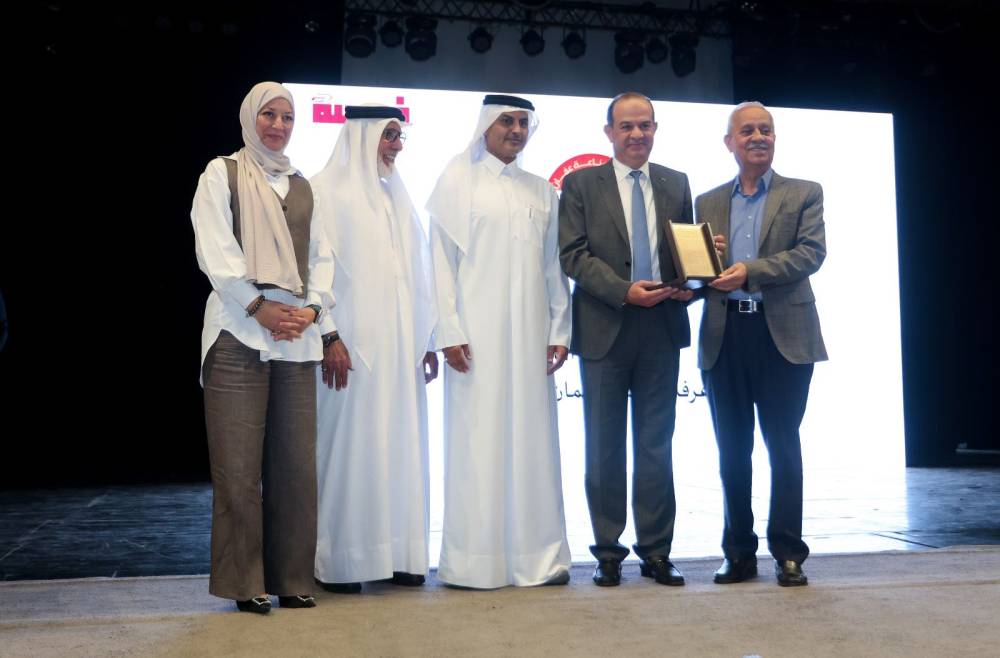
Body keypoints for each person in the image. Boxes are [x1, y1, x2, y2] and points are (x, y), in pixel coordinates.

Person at [191, 81, 332, 614]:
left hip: (296, 337)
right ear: (250, 117)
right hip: (237, 333)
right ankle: (244, 581)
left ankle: (293, 577)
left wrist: (312, 311)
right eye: (268, 114)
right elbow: (215, 251)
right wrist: (258, 306)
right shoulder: (221, 173)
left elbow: (322, 258)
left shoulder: (304, 186)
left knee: (296, 468)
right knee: (238, 470)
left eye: (287, 117)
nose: (278, 125)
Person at [428, 94, 572, 588]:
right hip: (475, 340)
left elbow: (553, 267)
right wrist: (447, 330)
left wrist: (559, 329)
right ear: (486, 126)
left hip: (530, 337)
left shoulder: (541, 191)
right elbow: (440, 264)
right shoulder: (457, 181)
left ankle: (539, 559)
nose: (515, 130)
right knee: (477, 445)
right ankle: (474, 563)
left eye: (522, 123)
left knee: (534, 444)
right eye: (506, 121)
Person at [559, 92, 693, 587]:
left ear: (655, 129)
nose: (637, 134)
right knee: (604, 447)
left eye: (645, 125)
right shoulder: (580, 184)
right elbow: (572, 254)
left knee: (656, 445)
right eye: (627, 126)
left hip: (661, 327)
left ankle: (656, 552)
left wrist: (696, 275)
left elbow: (684, 253)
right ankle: (608, 552)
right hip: (604, 326)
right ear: (609, 132)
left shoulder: (676, 183)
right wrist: (623, 291)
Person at [696, 101, 827, 587]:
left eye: (766, 130)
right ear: (729, 142)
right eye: (748, 130)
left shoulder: (804, 192)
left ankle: (789, 553)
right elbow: (697, 271)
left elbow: (810, 253)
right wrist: (698, 271)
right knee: (732, 450)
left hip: (784, 337)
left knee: (783, 446)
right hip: (724, 334)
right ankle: (738, 553)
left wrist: (749, 271)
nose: (758, 137)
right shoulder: (707, 202)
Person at [310, 105, 438, 593]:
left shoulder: (393, 195)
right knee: (350, 452)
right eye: (388, 136)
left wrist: (427, 340)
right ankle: (343, 561)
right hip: (349, 350)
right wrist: (329, 334)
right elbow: (313, 273)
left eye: (400, 137)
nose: (396, 146)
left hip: (399, 352)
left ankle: (399, 555)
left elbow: (416, 277)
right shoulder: (324, 191)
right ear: (362, 136)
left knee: (399, 448)